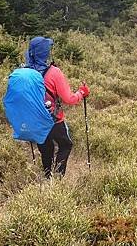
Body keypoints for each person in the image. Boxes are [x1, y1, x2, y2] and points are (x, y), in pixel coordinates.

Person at [24, 36, 90, 178]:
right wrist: (82, 93)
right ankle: (59, 179)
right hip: (53, 119)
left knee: (46, 149)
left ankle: (48, 178)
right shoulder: (54, 72)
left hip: (35, 120)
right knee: (65, 145)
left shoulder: (25, 72)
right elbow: (69, 99)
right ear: (46, 52)